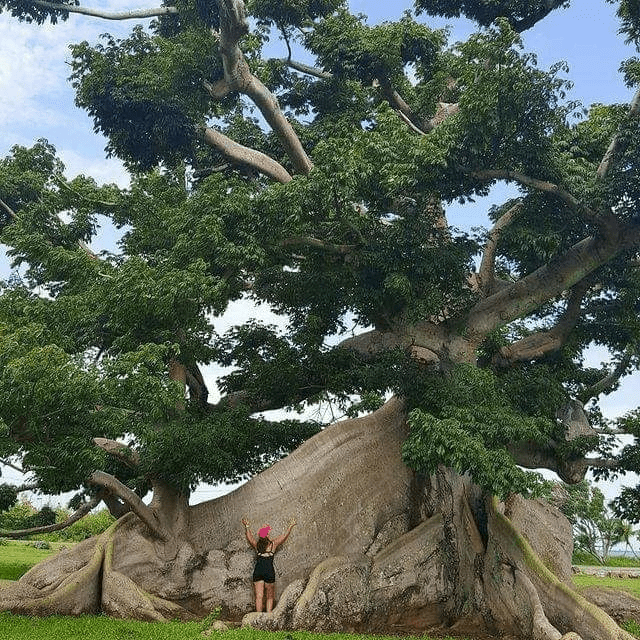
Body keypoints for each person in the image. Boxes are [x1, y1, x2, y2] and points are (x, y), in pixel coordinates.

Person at [241, 516, 296, 613]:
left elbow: (250, 538)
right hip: (269, 572)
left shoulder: (258, 545)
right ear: (268, 534)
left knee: (259, 597)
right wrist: (290, 526)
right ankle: (269, 616)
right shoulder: (273, 544)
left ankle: (258, 617)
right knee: (270, 597)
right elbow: (284, 536)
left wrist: (247, 526)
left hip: (258, 572)